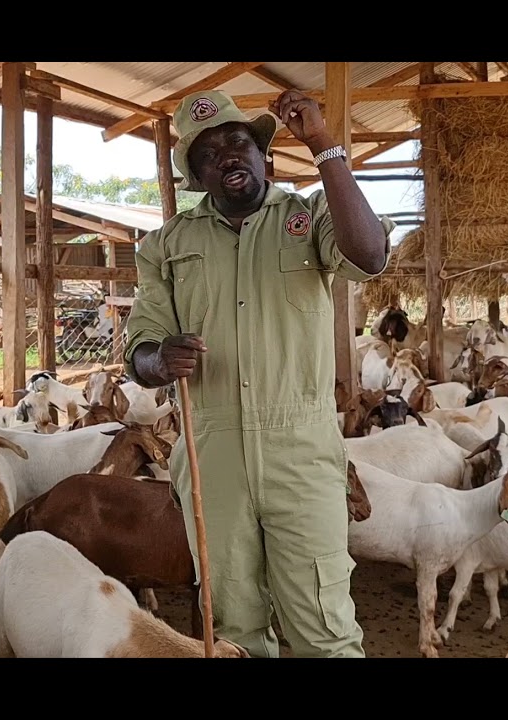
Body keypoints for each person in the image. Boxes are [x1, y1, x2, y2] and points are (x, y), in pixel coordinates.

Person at [123, 88, 395, 658]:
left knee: (323, 624)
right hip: (212, 451)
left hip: (300, 449)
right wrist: (160, 358)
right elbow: (140, 352)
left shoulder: (310, 216)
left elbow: (369, 255)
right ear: (196, 175)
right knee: (231, 626)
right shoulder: (167, 247)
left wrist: (323, 144)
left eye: (237, 142)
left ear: (261, 153)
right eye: (208, 153)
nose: (226, 155)